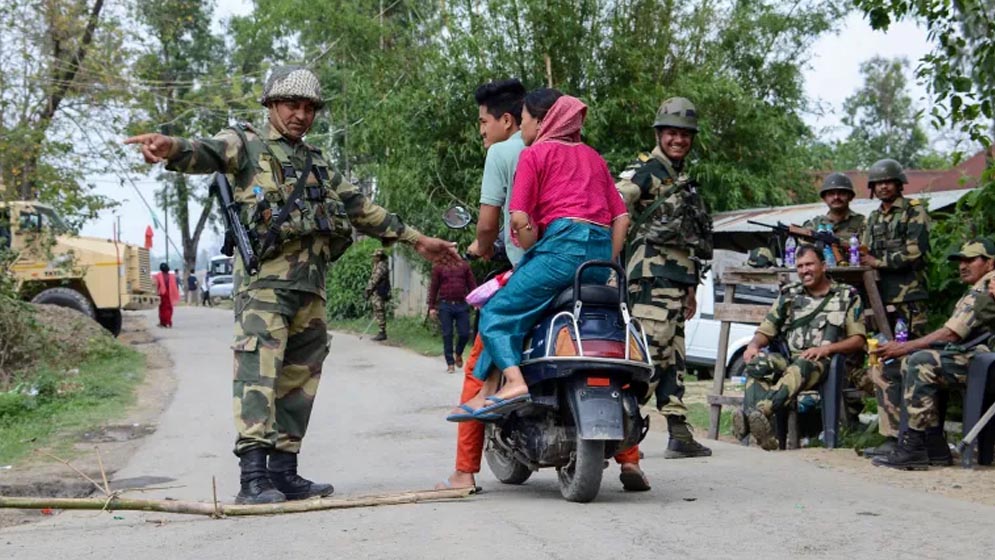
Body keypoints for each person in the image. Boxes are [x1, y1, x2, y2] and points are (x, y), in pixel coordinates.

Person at [125, 65, 457, 504]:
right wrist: (170, 147)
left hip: (311, 288)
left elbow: (361, 209)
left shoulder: (317, 163)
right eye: (291, 106)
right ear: (271, 106)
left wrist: (417, 241)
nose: (300, 115)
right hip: (266, 286)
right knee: (258, 373)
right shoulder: (245, 144)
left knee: (300, 379)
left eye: (308, 108)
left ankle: (284, 471)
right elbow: (205, 152)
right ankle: (252, 479)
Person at [458, 90, 630, 418]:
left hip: (558, 255)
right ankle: (487, 392)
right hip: (596, 266)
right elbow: (621, 218)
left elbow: (520, 218)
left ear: (541, 122)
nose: (521, 130)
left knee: (495, 311)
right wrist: (607, 258)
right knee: (521, 308)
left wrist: (528, 244)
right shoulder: (595, 157)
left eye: (523, 121)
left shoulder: (534, 155)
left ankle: (513, 382)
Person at [437, 79, 526, 492]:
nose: (481, 131)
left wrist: (482, 245)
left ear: (507, 120)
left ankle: (464, 471)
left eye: (483, 122)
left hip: (528, 271)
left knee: (478, 362)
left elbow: (489, 223)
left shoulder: (502, 153)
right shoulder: (564, 150)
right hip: (582, 268)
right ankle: (631, 461)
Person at [615, 97, 714, 459]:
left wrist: (690, 290)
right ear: (659, 134)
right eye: (672, 133)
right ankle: (616, 419)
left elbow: (687, 238)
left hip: (677, 280)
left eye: (685, 134)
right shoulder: (646, 170)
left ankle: (678, 431)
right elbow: (617, 200)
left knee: (674, 358)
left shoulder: (681, 177)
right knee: (651, 357)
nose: (679, 140)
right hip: (651, 280)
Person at [873, 239, 995, 469]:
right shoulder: (979, 288)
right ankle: (932, 444)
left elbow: (951, 334)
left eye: (970, 259)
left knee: (920, 362)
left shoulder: (986, 288)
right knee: (897, 363)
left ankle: (915, 445)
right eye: (960, 260)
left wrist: (905, 346)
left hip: (985, 364)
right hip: (973, 358)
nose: (962, 265)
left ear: (990, 263)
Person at [732, 245, 867, 450]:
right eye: (800, 266)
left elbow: (858, 340)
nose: (804, 270)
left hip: (822, 363)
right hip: (787, 358)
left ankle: (757, 413)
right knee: (757, 363)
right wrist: (753, 346)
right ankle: (764, 432)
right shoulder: (789, 295)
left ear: (823, 265)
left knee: (804, 363)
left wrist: (827, 350)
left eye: (809, 264)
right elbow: (766, 329)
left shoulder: (846, 295)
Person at [859, 158, 930, 459]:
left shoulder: (914, 210)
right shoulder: (873, 219)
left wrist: (878, 262)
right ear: (873, 188)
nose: (884, 186)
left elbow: (916, 252)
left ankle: (919, 436)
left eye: (889, 181)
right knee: (883, 364)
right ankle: (891, 434)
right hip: (879, 301)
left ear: (899, 183)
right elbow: (862, 253)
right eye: (878, 182)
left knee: (913, 366)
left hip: (909, 301)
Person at [427, 258, 476, 373]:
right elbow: (433, 287)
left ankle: (458, 353)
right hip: (445, 305)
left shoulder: (464, 266)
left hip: (461, 304)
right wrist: (432, 307)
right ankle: (450, 363)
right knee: (447, 334)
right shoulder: (439, 267)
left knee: (465, 333)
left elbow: (471, 284)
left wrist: (476, 301)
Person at [802, 173, 866, 239]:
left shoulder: (863, 223)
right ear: (824, 198)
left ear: (850, 197)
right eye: (831, 194)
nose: (836, 197)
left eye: (841, 193)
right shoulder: (814, 225)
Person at [365, 248, 390, 342]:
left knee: (379, 310)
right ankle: (381, 331)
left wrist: (368, 290)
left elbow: (375, 279)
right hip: (377, 291)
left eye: (376, 256)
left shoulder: (381, 266)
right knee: (377, 310)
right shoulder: (378, 265)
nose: (374, 258)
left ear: (380, 256)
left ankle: (382, 332)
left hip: (380, 291)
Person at [155, 262, 179, 327]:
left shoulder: (158, 275)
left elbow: (156, 285)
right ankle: (168, 321)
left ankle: (163, 322)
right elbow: (175, 286)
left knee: (162, 308)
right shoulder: (172, 276)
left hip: (163, 294)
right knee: (169, 308)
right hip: (170, 293)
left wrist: (156, 293)